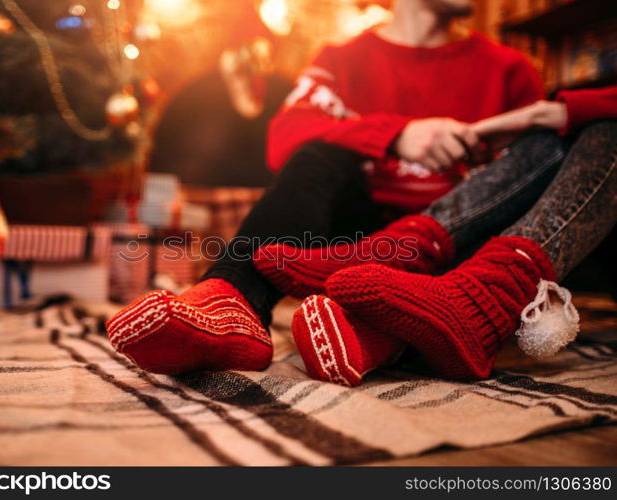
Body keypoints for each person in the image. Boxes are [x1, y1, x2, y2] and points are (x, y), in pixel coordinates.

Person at [106, 0, 547, 374]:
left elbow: (538, 169)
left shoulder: (508, 69)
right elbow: (283, 141)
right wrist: (396, 135)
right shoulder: (342, 60)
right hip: (353, 238)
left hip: (455, 246)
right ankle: (234, 299)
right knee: (316, 153)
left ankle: (373, 326)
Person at [286, 85, 617, 386]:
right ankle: (394, 312)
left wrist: (550, 111)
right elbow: (285, 134)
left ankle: (481, 295)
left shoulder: (510, 67)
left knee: (606, 129)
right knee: (551, 138)